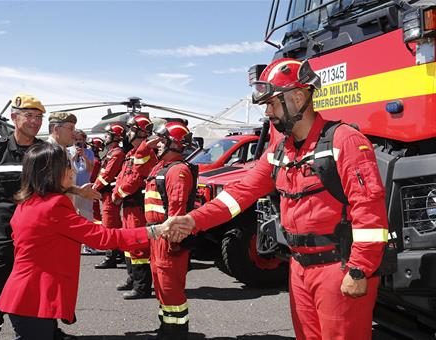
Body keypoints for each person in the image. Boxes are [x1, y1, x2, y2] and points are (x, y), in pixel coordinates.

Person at [165, 58, 389, 340]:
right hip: (298, 269)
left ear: (297, 97)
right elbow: (240, 193)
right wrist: (192, 220)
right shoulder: (280, 151)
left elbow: (370, 210)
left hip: (339, 268)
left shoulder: (345, 141)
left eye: (272, 103)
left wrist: (360, 269)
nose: (268, 112)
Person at [0, 142, 185, 340]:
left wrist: (75, 191)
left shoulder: (28, 202)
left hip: (24, 295)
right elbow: (104, 238)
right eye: (67, 166)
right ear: (51, 172)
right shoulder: (54, 207)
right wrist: (155, 231)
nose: (72, 170)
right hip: (34, 298)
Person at [0, 93, 46, 340]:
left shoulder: (46, 152)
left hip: (38, 244)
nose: (35, 121)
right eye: (29, 115)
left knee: (38, 299)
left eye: (39, 117)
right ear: (14, 117)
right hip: (2, 242)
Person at [140, 122, 195, 340]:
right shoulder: (161, 166)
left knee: (170, 288)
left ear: (176, 144)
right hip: (157, 236)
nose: (158, 145)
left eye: (162, 141)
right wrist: (147, 145)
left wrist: (174, 242)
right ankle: (166, 327)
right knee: (161, 285)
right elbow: (139, 160)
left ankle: (176, 332)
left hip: (168, 238)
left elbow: (177, 210)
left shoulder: (178, 170)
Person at [112, 115, 157, 299]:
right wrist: (118, 192)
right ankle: (133, 278)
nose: (127, 132)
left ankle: (142, 287)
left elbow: (135, 180)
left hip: (137, 206)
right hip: (128, 206)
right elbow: (124, 177)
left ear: (140, 131)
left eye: (131, 129)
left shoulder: (143, 153)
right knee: (128, 243)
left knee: (138, 246)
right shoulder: (132, 153)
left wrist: (117, 195)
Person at [94, 124, 127, 269]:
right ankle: (118, 253)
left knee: (109, 224)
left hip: (110, 194)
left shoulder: (117, 153)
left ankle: (111, 257)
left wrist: (94, 188)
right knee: (113, 223)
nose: (105, 137)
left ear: (115, 137)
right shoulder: (111, 152)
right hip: (106, 194)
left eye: (108, 134)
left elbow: (107, 175)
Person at [47, 111, 100, 202]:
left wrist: (79, 191)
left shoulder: (63, 151)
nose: (73, 133)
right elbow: (49, 187)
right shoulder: (47, 152)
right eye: (71, 128)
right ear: (56, 129)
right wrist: (78, 191)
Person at [89, 136, 104, 223]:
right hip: (93, 188)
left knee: (94, 212)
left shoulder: (95, 162)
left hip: (92, 188)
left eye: (90, 146)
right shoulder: (95, 161)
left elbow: (91, 177)